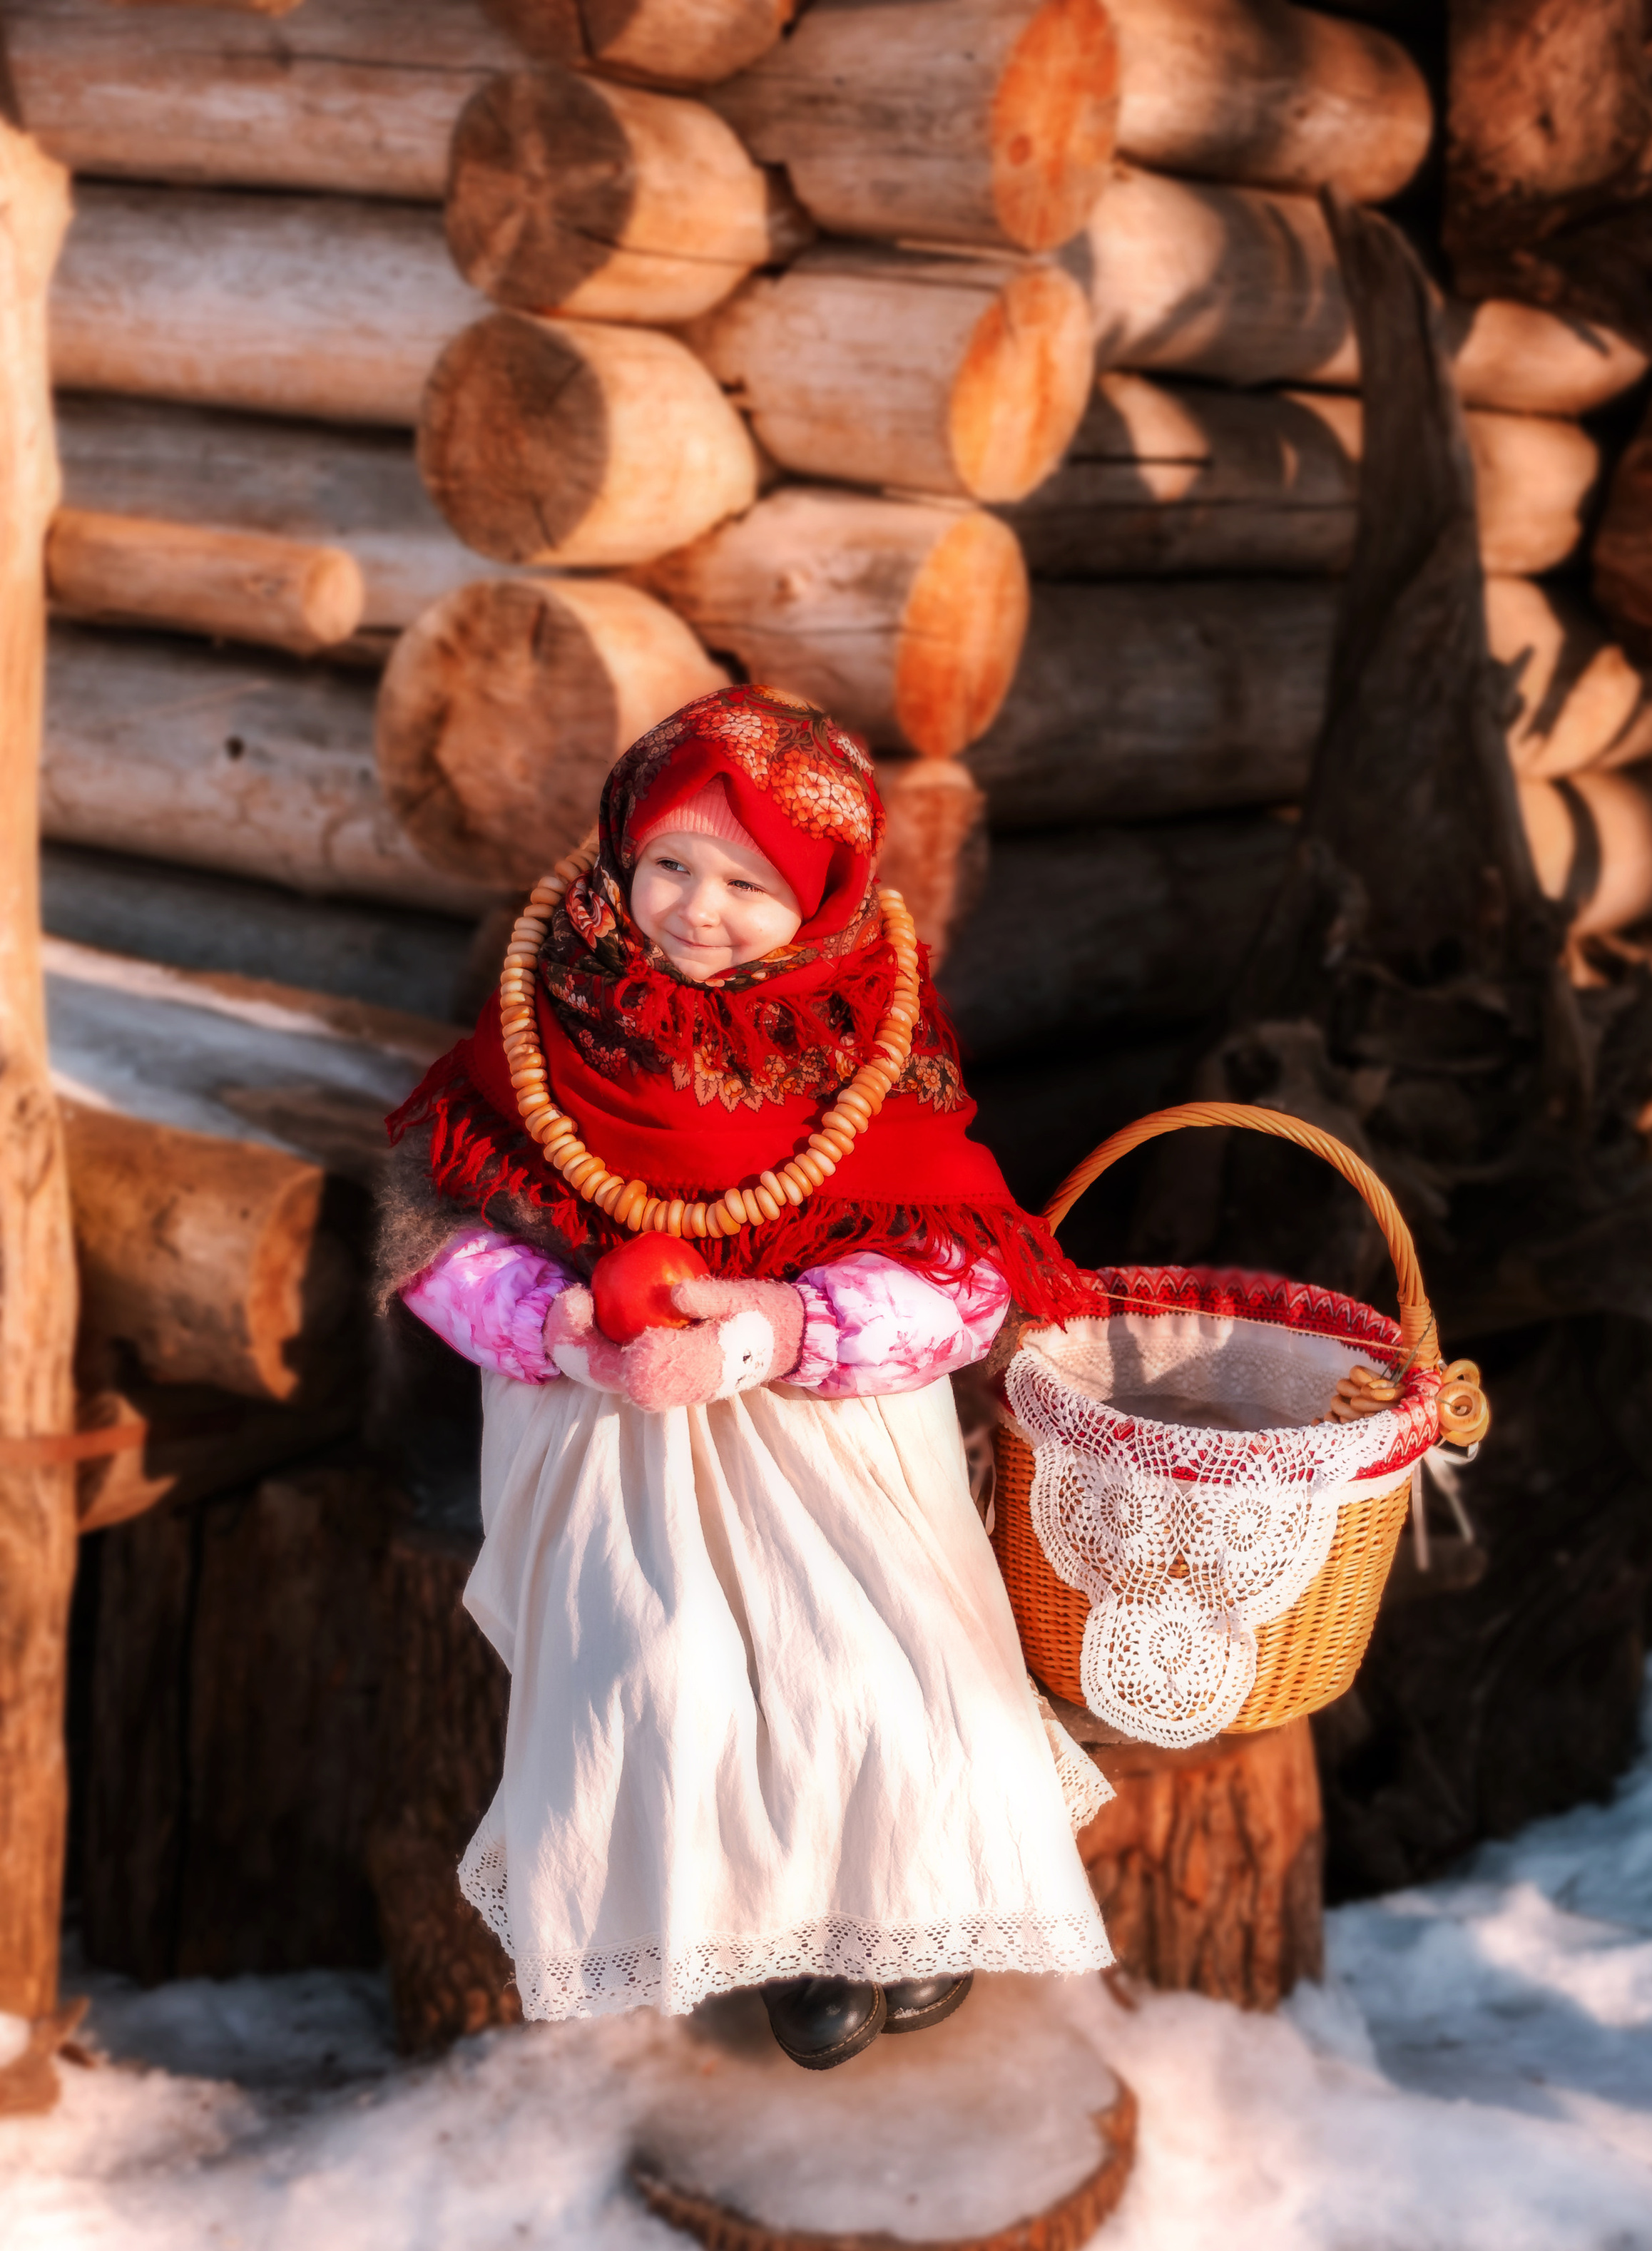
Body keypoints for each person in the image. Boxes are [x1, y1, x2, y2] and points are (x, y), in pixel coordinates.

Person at [381, 684, 1111, 2071]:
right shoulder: (558, 1004)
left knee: (893, 1676)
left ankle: (901, 1913)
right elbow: (431, 1228)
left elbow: (959, 1275)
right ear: (621, 848)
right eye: (667, 863)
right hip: (608, 1407)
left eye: (747, 881)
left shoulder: (869, 1032)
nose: (694, 910)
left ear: (824, 895)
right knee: (674, 1673)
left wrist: (776, 1327)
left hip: (821, 1409)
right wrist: (553, 1326)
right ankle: (775, 1930)